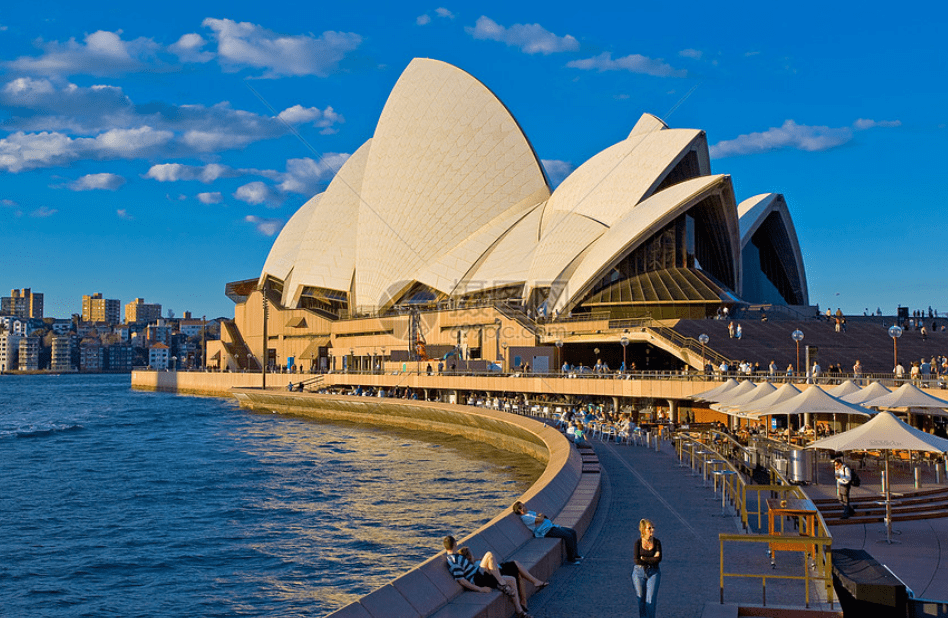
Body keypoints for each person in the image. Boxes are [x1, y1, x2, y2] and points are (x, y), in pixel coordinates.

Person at [442, 536, 536, 618]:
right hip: (476, 578)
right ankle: (501, 583)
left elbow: (468, 566)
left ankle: (519, 611)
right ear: (455, 544)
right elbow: (461, 580)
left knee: (512, 579)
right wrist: (480, 589)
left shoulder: (456, 556)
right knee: (489, 554)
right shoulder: (453, 560)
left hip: (479, 575)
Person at [512, 501, 582, 563]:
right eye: (522, 506)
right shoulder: (525, 517)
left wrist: (541, 516)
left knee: (572, 532)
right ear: (520, 510)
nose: (524, 505)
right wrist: (541, 515)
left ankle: (575, 554)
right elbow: (540, 519)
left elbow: (540, 517)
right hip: (546, 531)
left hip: (551, 526)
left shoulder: (529, 512)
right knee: (568, 536)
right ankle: (571, 559)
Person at [633, 518, 662, 618]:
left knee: (650, 600)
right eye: (649, 528)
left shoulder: (657, 542)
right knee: (641, 600)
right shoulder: (638, 543)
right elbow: (637, 560)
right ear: (643, 530)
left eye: (653, 528)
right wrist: (652, 558)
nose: (652, 530)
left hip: (653, 572)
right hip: (639, 572)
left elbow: (658, 559)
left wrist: (644, 558)